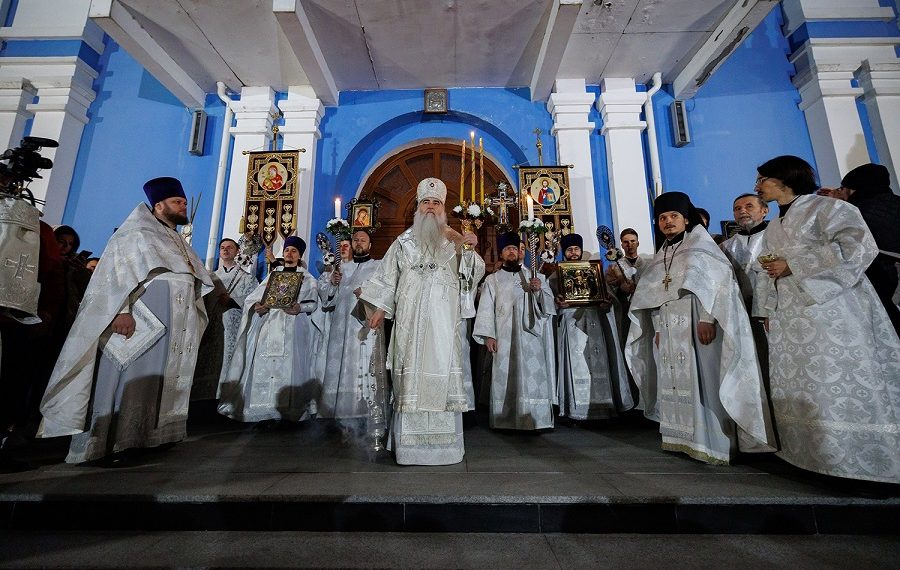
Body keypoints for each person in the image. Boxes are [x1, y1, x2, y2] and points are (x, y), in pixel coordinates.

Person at [39, 177, 215, 464]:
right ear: (159, 205)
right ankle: (114, 442)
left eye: (184, 202)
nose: (183, 206)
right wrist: (121, 310)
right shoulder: (135, 233)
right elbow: (114, 275)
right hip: (144, 319)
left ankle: (153, 436)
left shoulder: (176, 239)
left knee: (159, 379)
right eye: (177, 202)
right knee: (131, 377)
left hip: (174, 321)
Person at [752, 155, 900, 483]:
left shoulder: (829, 208)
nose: (757, 186)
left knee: (839, 383)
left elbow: (859, 247)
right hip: (791, 316)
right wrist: (766, 309)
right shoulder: (774, 225)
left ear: (785, 179)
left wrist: (794, 264)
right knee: (808, 385)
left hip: (833, 312)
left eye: (762, 180)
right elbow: (767, 267)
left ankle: (865, 466)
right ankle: (813, 457)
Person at [626, 191, 773, 465]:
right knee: (676, 380)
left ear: (686, 219)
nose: (668, 222)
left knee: (704, 378)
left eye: (674, 216)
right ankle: (681, 437)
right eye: (662, 218)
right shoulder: (663, 254)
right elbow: (655, 296)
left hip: (697, 319)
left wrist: (708, 318)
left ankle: (712, 442)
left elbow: (718, 283)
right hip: (670, 326)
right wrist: (658, 329)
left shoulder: (702, 246)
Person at [360, 177, 484, 465]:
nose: (430, 207)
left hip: (443, 323)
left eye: (436, 203)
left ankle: (445, 449)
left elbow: (471, 275)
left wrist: (468, 249)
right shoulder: (402, 242)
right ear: (418, 207)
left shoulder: (455, 239)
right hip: (410, 321)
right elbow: (386, 278)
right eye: (425, 202)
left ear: (443, 209)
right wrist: (379, 308)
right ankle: (409, 449)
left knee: (442, 371)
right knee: (409, 374)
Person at [218, 236, 320, 425]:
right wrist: (257, 306)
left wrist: (300, 307)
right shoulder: (273, 275)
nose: (289, 254)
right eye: (287, 250)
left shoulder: (307, 279)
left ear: (300, 255)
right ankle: (263, 410)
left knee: (292, 365)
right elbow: (253, 298)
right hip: (270, 325)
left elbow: (313, 303)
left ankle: (288, 411)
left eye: (294, 251)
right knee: (263, 364)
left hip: (293, 327)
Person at [473, 232, 556, 430]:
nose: (511, 251)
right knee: (505, 376)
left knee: (532, 376)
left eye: (514, 248)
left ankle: (536, 420)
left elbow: (549, 308)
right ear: (501, 253)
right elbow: (485, 308)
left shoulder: (535, 277)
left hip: (531, 338)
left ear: (520, 252)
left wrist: (539, 291)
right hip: (504, 337)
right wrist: (489, 335)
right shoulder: (492, 280)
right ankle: (505, 421)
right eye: (507, 249)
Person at [553, 233, 633, 421]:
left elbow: (608, 297)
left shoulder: (593, 271)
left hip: (595, 323)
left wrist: (606, 302)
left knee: (599, 363)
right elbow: (550, 303)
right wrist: (558, 304)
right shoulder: (555, 276)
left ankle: (603, 408)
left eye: (576, 249)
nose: (574, 253)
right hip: (571, 324)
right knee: (576, 364)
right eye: (569, 250)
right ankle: (576, 411)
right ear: (564, 253)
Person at [317, 229, 385, 431]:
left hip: (364, 328)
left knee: (360, 366)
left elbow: (387, 293)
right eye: (355, 240)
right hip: (340, 328)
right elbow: (327, 299)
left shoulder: (379, 266)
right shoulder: (342, 268)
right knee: (339, 367)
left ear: (370, 245)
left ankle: (364, 412)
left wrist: (368, 293)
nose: (358, 243)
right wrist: (332, 283)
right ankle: (337, 412)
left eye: (363, 240)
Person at [821, 163, 899, 334]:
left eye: (842, 188)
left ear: (853, 190)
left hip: (880, 276)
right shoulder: (893, 203)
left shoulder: (856, 213)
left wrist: (834, 205)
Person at [192, 238, 259, 402]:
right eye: (222, 247)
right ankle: (203, 400)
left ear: (237, 251)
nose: (225, 250)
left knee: (229, 360)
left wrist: (233, 300)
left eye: (230, 247)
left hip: (233, 328)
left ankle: (226, 398)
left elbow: (254, 301)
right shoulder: (210, 278)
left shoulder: (247, 278)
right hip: (211, 327)